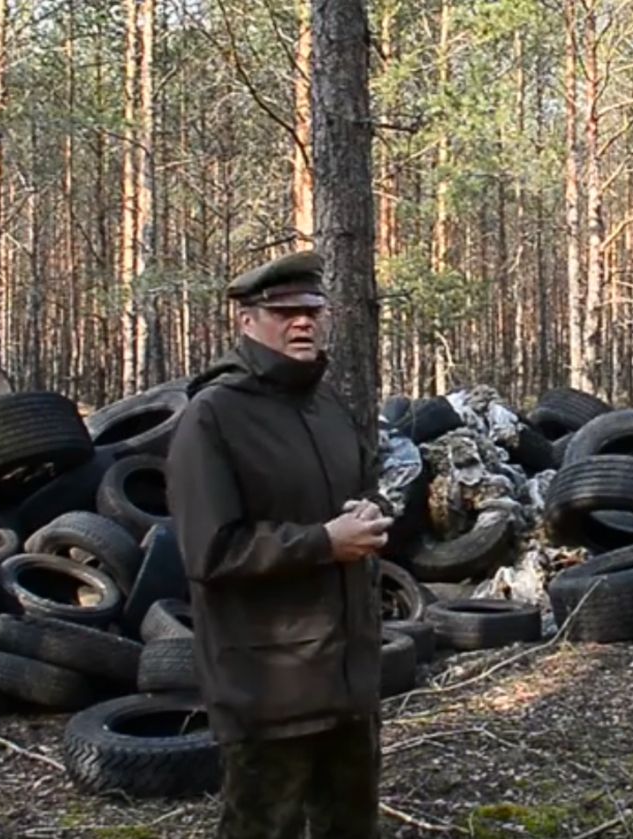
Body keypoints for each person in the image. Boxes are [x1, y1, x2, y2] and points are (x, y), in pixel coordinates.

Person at [164, 250, 393, 839]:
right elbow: (210, 551)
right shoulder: (213, 416)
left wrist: (371, 514)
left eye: (313, 309)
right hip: (268, 688)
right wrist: (322, 543)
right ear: (247, 321)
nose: (303, 323)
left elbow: (361, 493)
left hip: (347, 679)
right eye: (284, 310)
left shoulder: (329, 407)